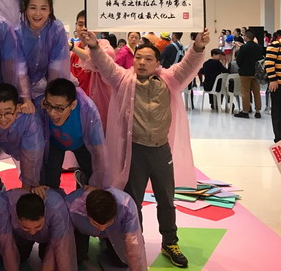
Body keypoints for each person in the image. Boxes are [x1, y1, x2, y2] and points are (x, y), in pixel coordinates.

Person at [80, 28, 210, 268]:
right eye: (138, 58)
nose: (141, 62)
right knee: (133, 202)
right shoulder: (123, 79)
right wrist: (95, 47)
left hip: (161, 151)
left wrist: (198, 47)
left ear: (158, 63)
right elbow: (105, 66)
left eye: (148, 59)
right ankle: (134, 242)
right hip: (135, 152)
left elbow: (188, 65)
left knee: (166, 200)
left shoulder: (169, 80)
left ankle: (170, 242)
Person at [38, 78, 107, 190]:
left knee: (92, 174)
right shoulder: (41, 106)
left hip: (82, 144)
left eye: (59, 108)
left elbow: (99, 152)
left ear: (73, 105)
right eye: (49, 106)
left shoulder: (88, 111)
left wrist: (97, 185)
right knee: (49, 180)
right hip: (54, 143)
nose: (52, 113)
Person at [66, 187, 146, 270]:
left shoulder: (126, 206)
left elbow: (134, 245)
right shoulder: (70, 207)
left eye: (108, 224)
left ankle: (106, 242)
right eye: (95, 224)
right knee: (76, 259)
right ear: (87, 214)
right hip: (80, 230)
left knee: (122, 261)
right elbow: (62, 240)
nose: (102, 229)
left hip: (114, 232)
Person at [17, 0, 70, 98]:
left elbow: (57, 66)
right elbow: (18, 67)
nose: (38, 13)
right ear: (25, 8)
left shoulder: (56, 29)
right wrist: (25, 98)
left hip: (47, 85)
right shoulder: (17, 30)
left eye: (43, 8)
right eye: (33, 8)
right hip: (18, 85)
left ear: (50, 10)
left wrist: (51, 96)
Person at [6, 189, 76, 270]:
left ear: (45, 213)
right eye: (26, 227)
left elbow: (61, 250)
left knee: (54, 259)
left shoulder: (57, 211)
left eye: (38, 226)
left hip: (50, 237)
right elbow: (5, 242)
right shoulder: (8, 205)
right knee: (20, 256)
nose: (32, 232)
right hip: (21, 237)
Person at [235, 30, 265, 118]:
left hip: (245, 73)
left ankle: (245, 111)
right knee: (256, 92)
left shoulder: (244, 47)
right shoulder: (259, 47)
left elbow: (239, 60)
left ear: (247, 37)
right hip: (256, 73)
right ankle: (258, 111)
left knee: (245, 92)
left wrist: (241, 66)